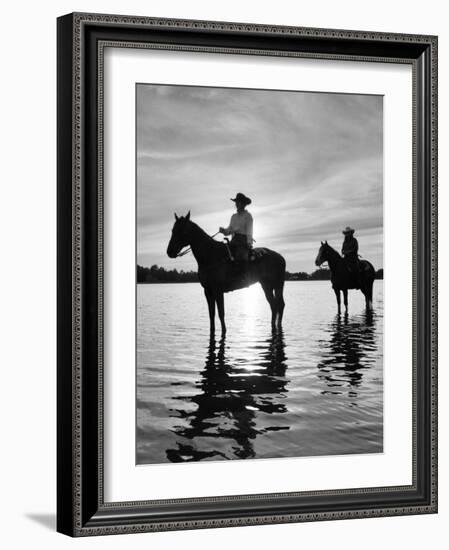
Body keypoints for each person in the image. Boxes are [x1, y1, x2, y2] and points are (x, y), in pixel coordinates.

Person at [219, 193, 253, 267]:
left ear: (244, 204)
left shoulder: (248, 216)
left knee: (240, 258)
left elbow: (249, 231)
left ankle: (242, 276)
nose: (237, 204)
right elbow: (229, 229)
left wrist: (249, 243)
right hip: (233, 240)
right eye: (236, 202)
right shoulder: (233, 216)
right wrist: (224, 231)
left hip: (243, 241)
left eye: (239, 202)